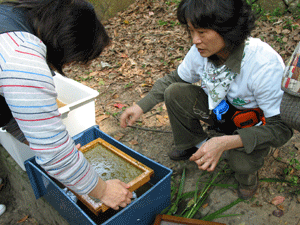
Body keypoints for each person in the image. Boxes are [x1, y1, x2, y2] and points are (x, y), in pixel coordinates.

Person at [120, 0, 293, 200]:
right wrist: (141, 106)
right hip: (220, 112)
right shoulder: (202, 52)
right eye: (191, 31)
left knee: (241, 162)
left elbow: (281, 129)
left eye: (202, 32)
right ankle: (192, 145)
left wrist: (227, 142)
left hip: (251, 123)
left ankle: (247, 178)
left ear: (228, 30)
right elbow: (174, 79)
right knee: (175, 92)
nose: (195, 40)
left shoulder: (263, 65)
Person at [0, 0, 132, 213]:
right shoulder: (23, 59)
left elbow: (12, 116)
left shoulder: (12, 16)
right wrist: (104, 190)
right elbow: (55, 156)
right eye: (73, 61)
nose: (68, 66)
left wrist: (55, 146)